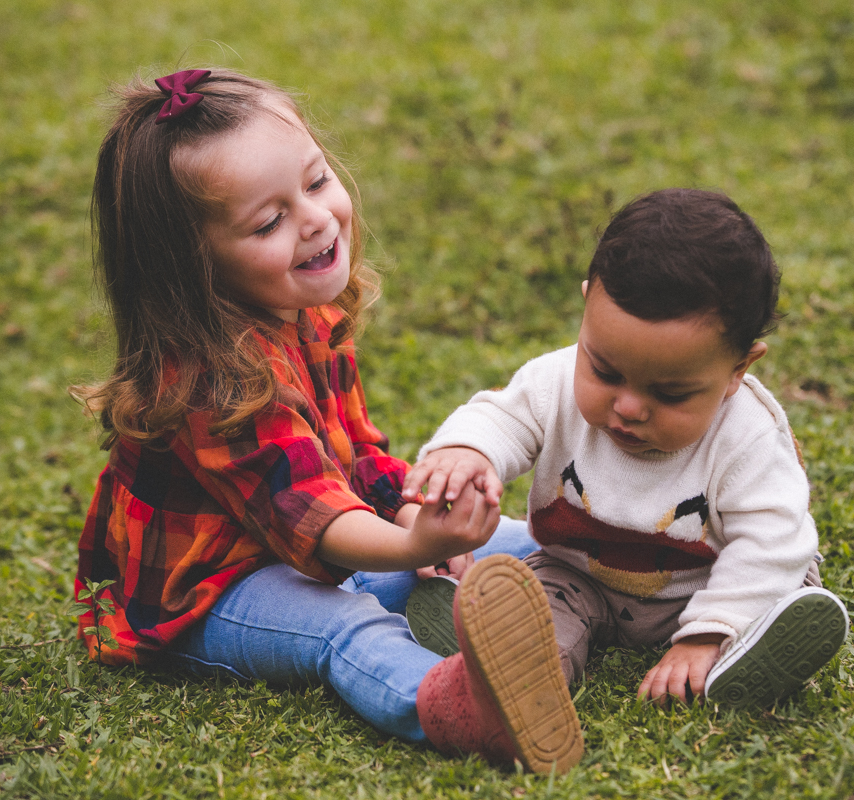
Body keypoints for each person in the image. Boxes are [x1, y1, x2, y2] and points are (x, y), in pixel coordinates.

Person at [70, 67, 581, 773]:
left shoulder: (307, 314)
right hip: (210, 597)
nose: (313, 219)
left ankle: (682, 578)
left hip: (315, 559)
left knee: (521, 542)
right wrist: (411, 546)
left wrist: (413, 515)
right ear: (192, 268)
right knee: (345, 627)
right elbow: (315, 518)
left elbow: (355, 462)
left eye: (314, 183)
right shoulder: (211, 380)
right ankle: (460, 704)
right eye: (269, 221)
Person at [405, 189, 849, 708]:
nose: (630, 407)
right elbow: (502, 416)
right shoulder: (554, 382)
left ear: (737, 371)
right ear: (587, 303)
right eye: (605, 372)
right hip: (580, 576)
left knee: (779, 584)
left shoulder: (746, 434)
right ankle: (514, 662)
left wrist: (704, 633)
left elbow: (771, 540)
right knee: (542, 605)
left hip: (714, 579)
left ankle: (736, 651)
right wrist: (467, 452)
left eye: (670, 393)